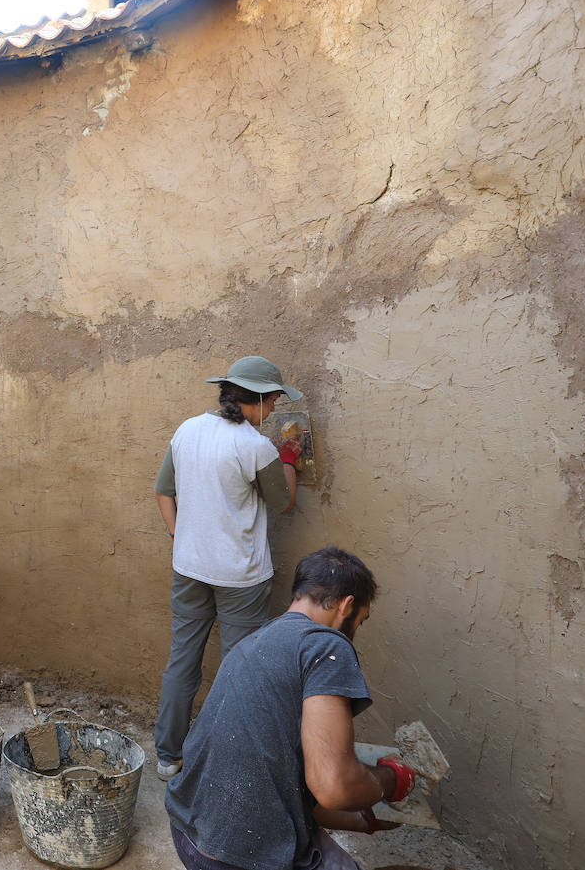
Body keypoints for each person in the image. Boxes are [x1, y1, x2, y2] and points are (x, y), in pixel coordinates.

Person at [165, 547, 418, 870]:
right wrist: (388, 779)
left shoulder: (254, 642)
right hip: (237, 861)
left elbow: (286, 779)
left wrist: (363, 819)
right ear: (346, 606)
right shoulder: (327, 646)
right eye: (361, 621)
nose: (355, 633)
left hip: (190, 839)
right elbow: (332, 786)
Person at [153, 355, 303, 779]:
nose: (273, 410)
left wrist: (178, 537)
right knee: (239, 670)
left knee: (183, 661)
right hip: (240, 578)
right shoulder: (255, 446)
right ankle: (223, 761)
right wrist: (288, 458)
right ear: (256, 399)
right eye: (272, 401)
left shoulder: (187, 430)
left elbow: (164, 492)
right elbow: (284, 502)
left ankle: (169, 756)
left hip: (189, 569)